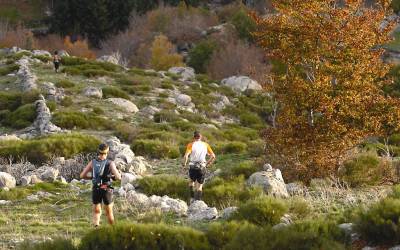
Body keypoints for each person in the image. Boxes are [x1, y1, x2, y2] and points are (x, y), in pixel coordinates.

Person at [80, 143, 121, 228]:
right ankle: (113, 230)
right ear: (107, 152)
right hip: (106, 189)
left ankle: (96, 228)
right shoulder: (110, 163)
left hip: (96, 189)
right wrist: (113, 177)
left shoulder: (92, 162)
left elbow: (82, 175)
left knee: (96, 211)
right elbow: (118, 177)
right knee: (109, 212)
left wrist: (93, 177)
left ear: (98, 152)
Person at [182, 131, 216, 202]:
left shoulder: (191, 144)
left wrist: (184, 164)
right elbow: (213, 156)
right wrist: (207, 163)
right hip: (202, 166)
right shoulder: (206, 145)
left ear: (194, 137)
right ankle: (198, 201)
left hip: (192, 166)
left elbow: (186, 156)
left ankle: (191, 198)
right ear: (201, 137)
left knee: (191, 182)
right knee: (200, 186)